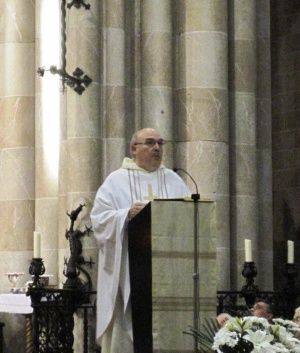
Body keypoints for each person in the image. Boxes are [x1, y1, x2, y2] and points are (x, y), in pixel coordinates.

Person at [90, 128, 190, 353]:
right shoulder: (116, 181)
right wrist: (125, 215)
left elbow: (187, 219)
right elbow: (99, 220)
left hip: (168, 274)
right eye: (150, 142)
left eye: (160, 143)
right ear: (133, 149)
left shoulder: (173, 180)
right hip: (130, 272)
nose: (157, 148)